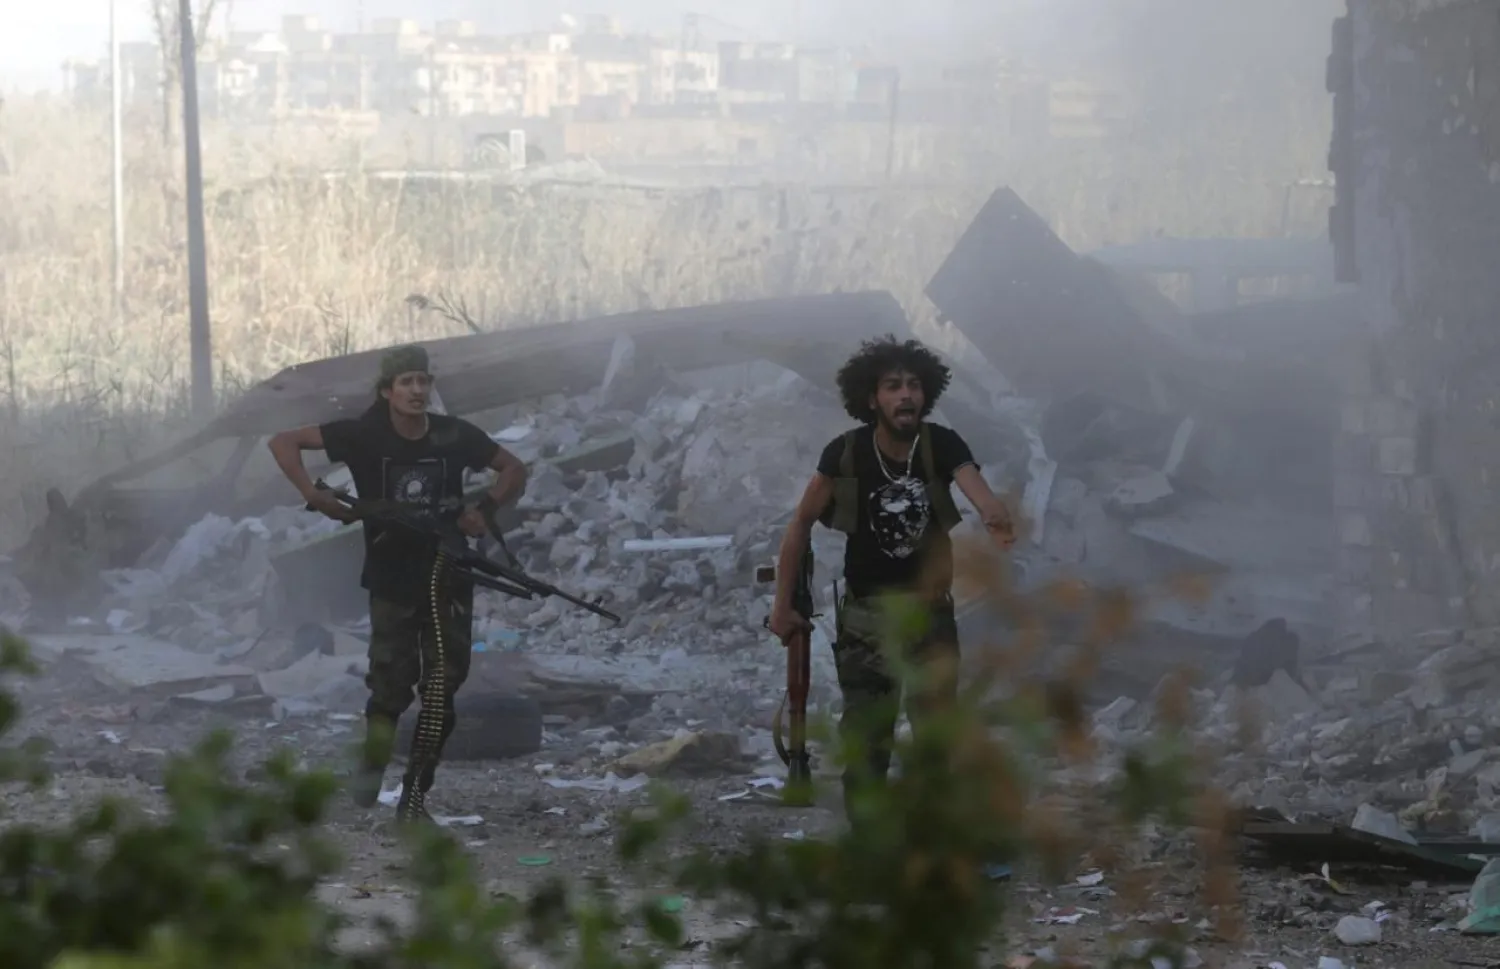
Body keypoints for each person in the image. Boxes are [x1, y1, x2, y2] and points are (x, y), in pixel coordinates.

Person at [267, 345, 528, 823]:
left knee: (442, 689)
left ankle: (414, 799)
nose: (417, 390)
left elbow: (513, 467)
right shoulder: (363, 435)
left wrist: (484, 508)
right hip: (392, 579)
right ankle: (372, 768)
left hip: (449, 573)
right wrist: (313, 495)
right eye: (406, 382)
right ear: (387, 391)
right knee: (389, 689)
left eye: (423, 382)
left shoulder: (454, 435)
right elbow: (282, 442)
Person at [767, 335, 1015, 820]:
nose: (906, 395)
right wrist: (782, 605)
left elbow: (973, 484)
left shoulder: (941, 444)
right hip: (867, 619)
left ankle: (932, 848)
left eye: (914, 386)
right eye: (893, 386)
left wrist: (992, 512)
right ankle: (867, 851)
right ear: (871, 398)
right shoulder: (845, 453)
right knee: (867, 738)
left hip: (931, 614)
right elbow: (799, 525)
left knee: (937, 735)